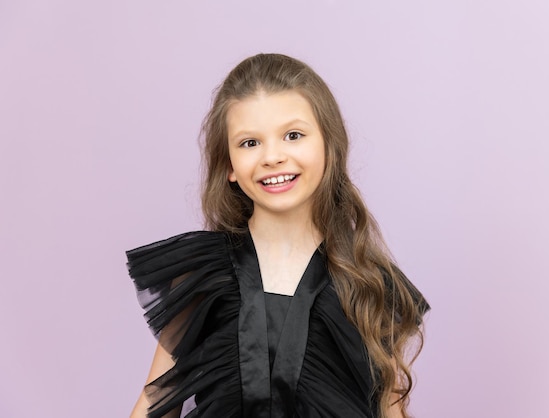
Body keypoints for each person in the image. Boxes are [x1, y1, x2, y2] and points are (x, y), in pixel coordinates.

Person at [126, 53, 429, 418]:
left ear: (328, 148)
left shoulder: (369, 284)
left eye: (293, 135)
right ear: (229, 167)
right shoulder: (202, 278)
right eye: (250, 143)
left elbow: (389, 407)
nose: (272, 157)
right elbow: (156, 401)